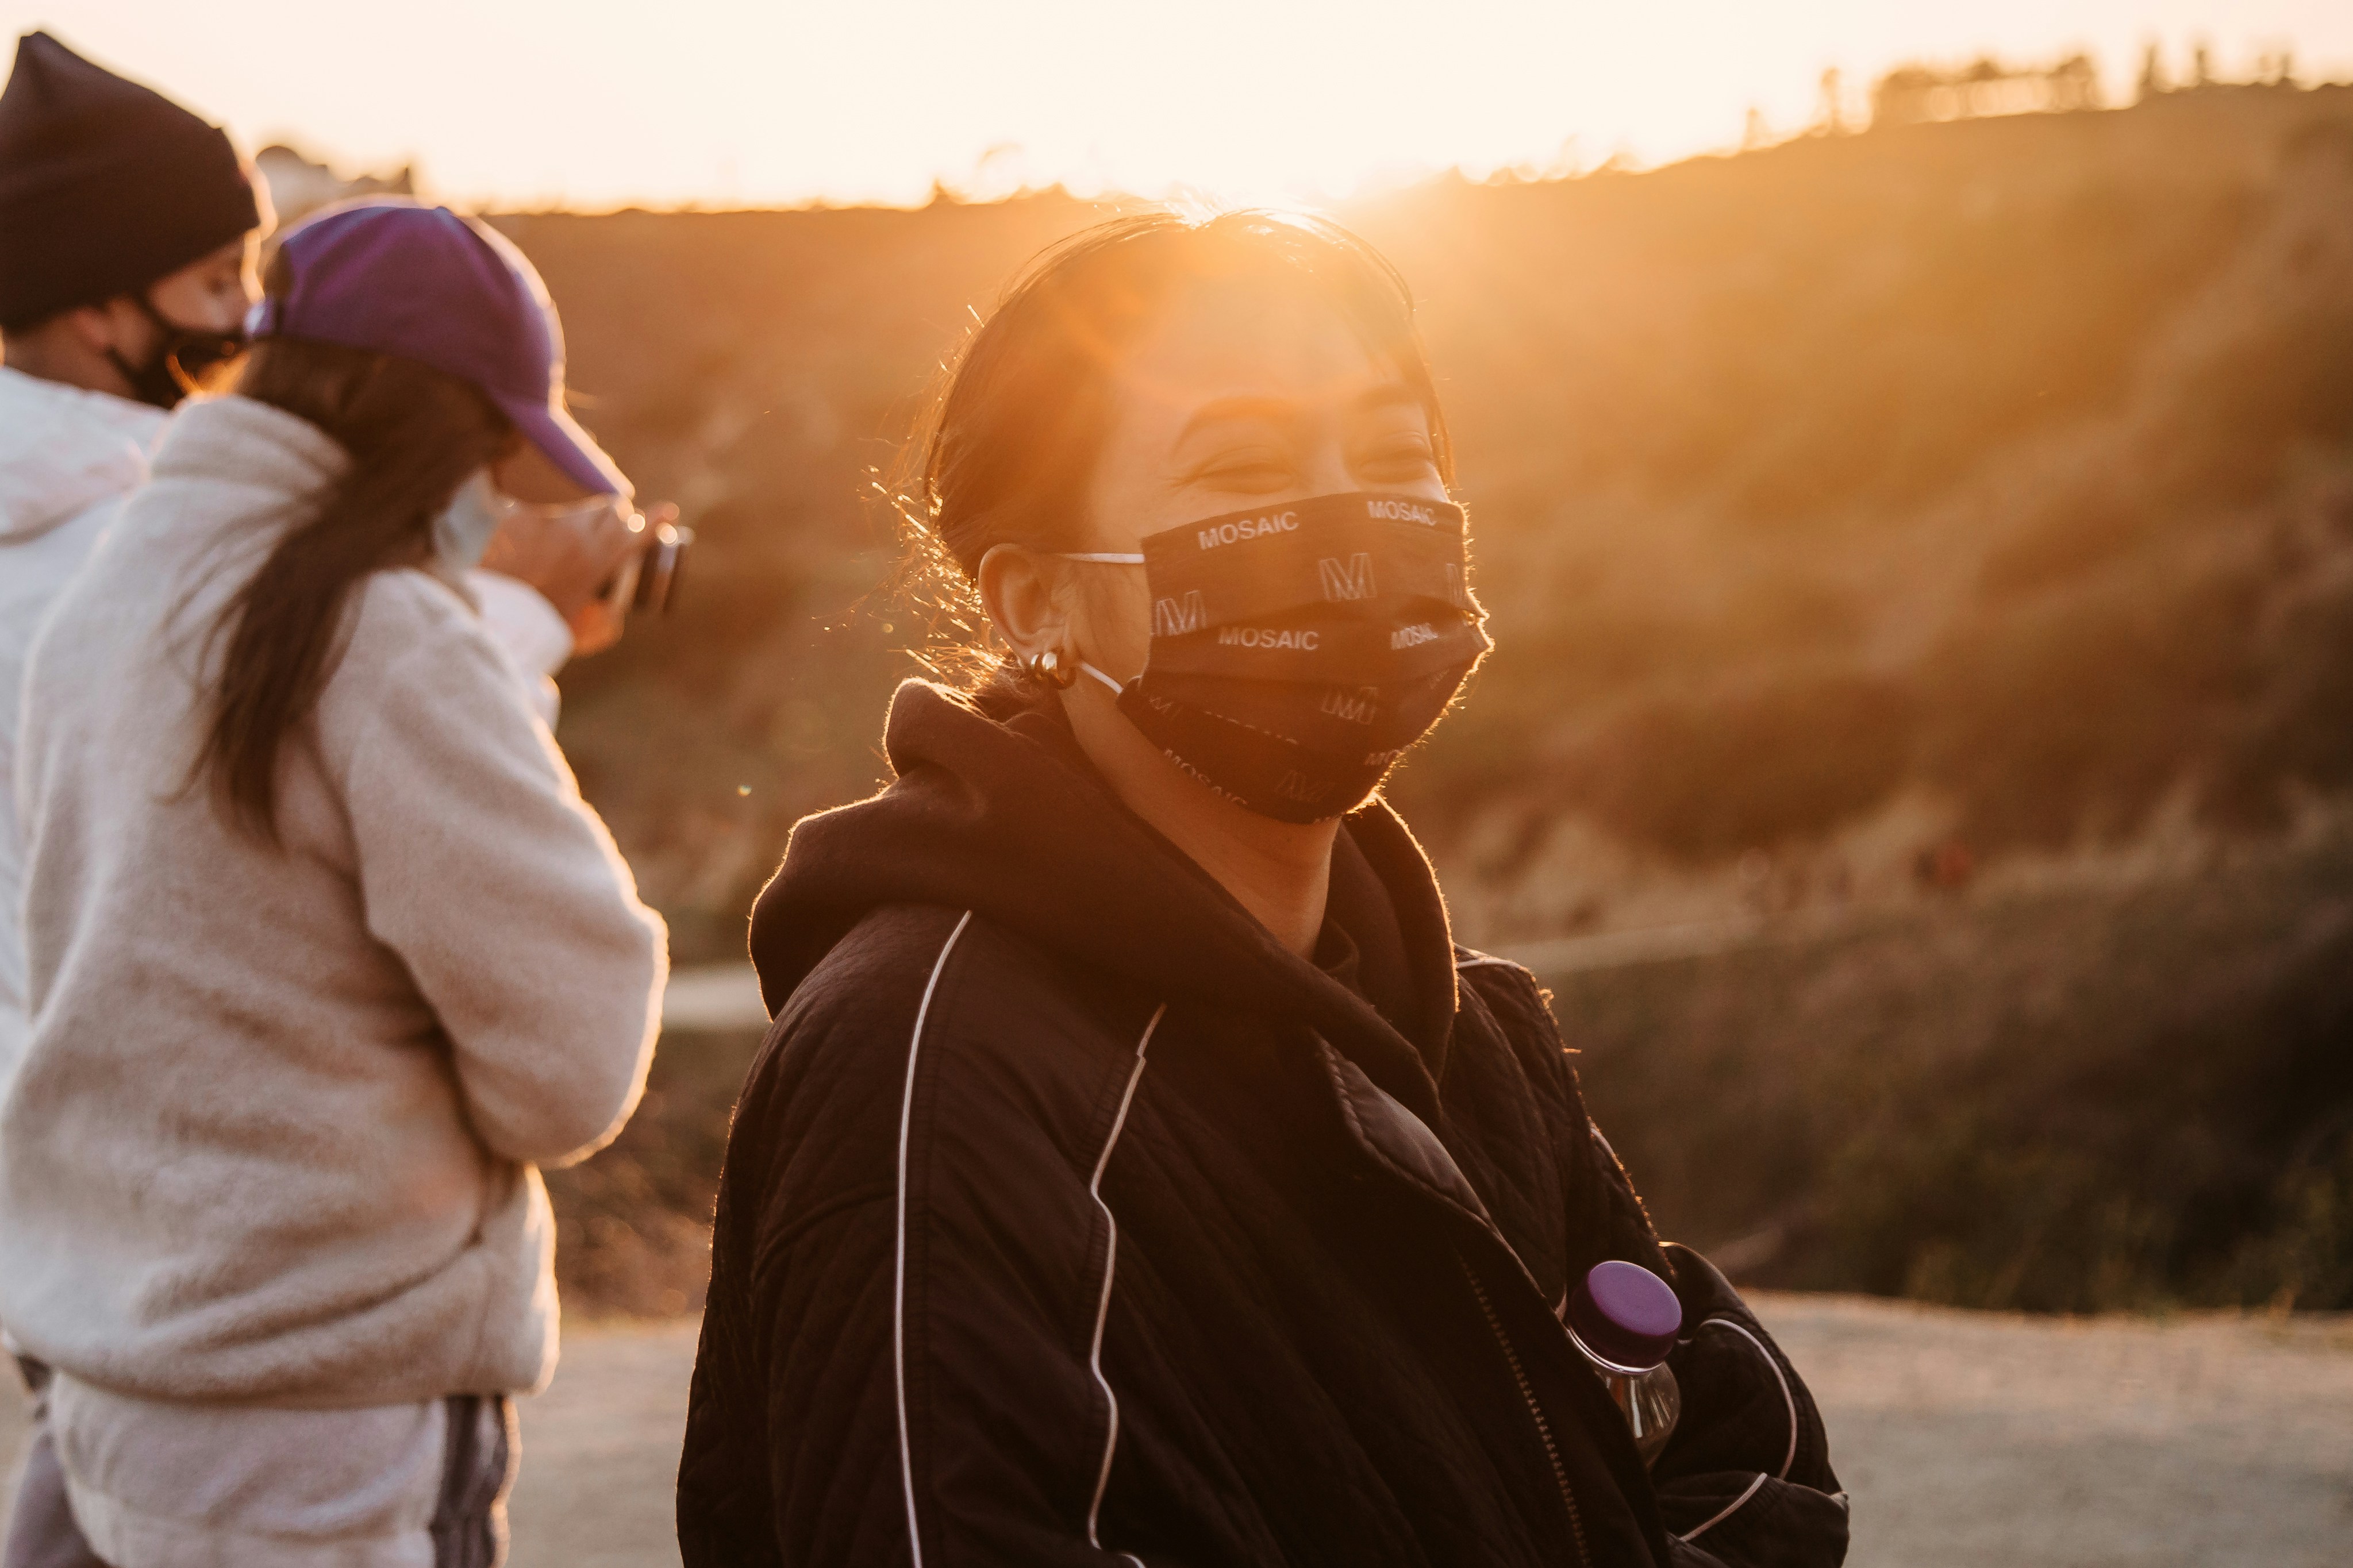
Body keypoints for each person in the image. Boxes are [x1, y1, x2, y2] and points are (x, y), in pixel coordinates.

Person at [676, 210, 1848, 1566]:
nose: (1346, 520)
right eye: (1241, 467)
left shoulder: (1472, 1038)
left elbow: (1738, 1455)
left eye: (1395, 455)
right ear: (1038, 603)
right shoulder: (931, 1076)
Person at [0, 199, 668, 1568]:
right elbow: (572, 1067)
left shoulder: (110, 589)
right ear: (440, 433)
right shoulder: (389, 640)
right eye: (493, 448)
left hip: (111, 1387)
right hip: (320, 1429)